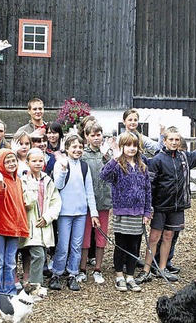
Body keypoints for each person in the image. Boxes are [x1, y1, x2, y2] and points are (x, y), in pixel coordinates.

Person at [136, 126, 196, 285]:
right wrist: (149, 207)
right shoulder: (157, 160)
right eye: (171, 140)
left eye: (176, 140)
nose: (174, 142)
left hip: (177, 206)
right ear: (164, 141)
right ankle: (146, 270)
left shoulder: (184, 158)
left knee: (169, 236)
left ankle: (162, 268)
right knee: (154, 238)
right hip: (160, 206)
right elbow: (149, 186)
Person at [101, 132, 152, 292]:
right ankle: (119, 276)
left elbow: (147, 191)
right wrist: (115, 158)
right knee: (121, 245)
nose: (131, 148)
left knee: (134, 246)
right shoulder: (117, 166)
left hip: (138, 214)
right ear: (122, 147)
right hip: (122, 213)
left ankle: (130, 276)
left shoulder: (142, 167)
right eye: (128, 145)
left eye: (134, 145)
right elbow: (104, 175)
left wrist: (147, 212)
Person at [49, 135, 100, 292]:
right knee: (63, 245)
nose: (77, 150)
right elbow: (57, 185)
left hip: (80, 212)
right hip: (65, 212)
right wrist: (63, 170)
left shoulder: (84, 166)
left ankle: (72, 273)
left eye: (80, 147)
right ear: (67, 148)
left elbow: (89, 191)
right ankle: (56, 273)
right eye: (74, 147)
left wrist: (94, 213)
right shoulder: (60, 164)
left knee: (77, 245)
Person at [19, 148, 61, 289]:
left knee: (42, 254)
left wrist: (47, 217)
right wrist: (31, 186)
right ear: (27, 162)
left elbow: (56, 202)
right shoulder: (23, 181)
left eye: (40, 160)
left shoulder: (48, 180)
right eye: (34, 161)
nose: (37, 163)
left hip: (44, 224)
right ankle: (36, 285)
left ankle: (32, 282)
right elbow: (27, 203)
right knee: (38, 255)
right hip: (31, 225)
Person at [77, 123, 112, 284]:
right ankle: (82, 268)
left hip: (103, 201)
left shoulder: (108, 154)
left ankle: (98, 268)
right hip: (86, 203)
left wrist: (107, 157)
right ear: (87, 137)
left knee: (101, 236)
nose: (96, 138)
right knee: (85, 237)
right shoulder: (82, 155)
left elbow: (114, 171)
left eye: (99, 135)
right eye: (93, 135)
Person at [0, 149, 29, 295]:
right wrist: (0, 183)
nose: (11, 164)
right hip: (1, 227)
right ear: (1, 163)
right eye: (7, 162)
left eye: (13, 160)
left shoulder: (18, 180)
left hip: (15, 227)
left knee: (11, 261)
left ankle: (10, 289)